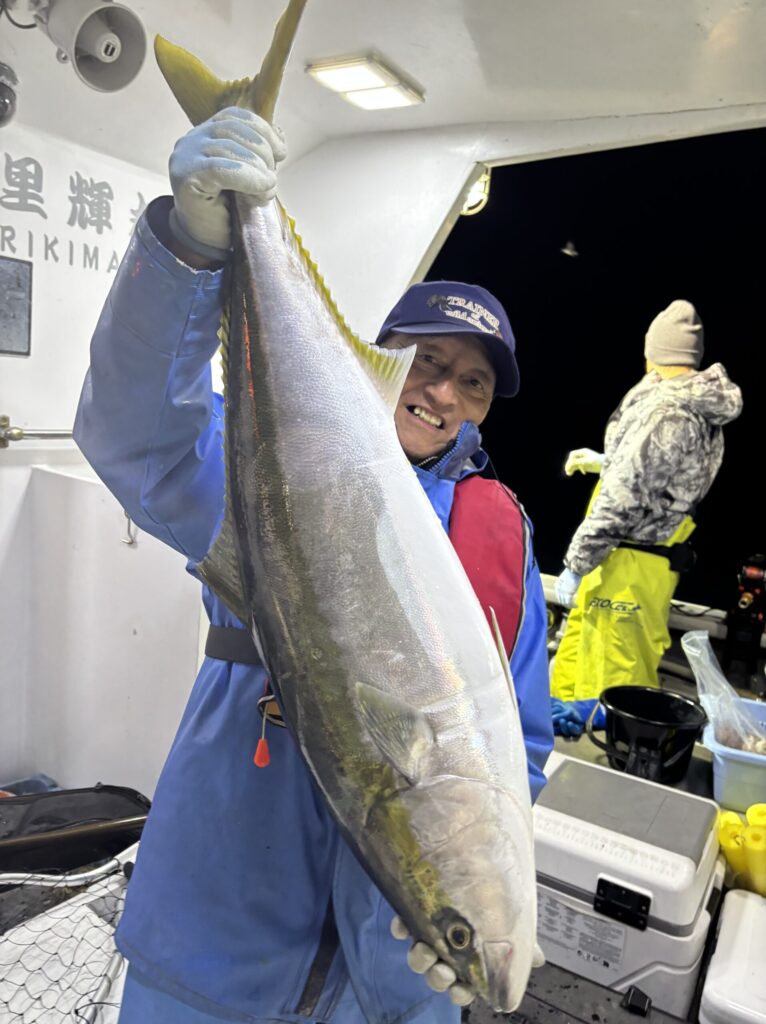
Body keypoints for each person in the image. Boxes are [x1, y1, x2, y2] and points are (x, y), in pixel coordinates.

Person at [74, 108, 553, 1024]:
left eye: (474, 382)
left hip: (385, 992)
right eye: (428, 360)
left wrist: (474, 899)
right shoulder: (272, 466)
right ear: (380, 360)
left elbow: (518, 744)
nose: (444, 391)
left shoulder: (501, 535)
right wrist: (186, 253)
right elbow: (136, 438)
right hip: (212, 947)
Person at [549, 299, 743, 734]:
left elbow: (624, 497)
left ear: (654, 351)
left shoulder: (667, 409)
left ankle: (605, 768)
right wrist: (608, 461)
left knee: (616, 684)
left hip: (629, 565)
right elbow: (665, 475)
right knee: (575, 666)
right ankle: (556, 742)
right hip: (628, 561)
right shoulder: (690, 406)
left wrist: (576, 563)